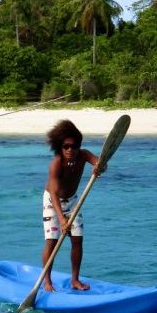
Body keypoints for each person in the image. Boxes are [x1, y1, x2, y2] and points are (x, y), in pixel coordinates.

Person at [41, 120, 103, 292]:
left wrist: (99, 167)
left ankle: (75, 280)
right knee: (52, 241)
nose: (70, 150)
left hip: (73, 201)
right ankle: (47, 282)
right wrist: (61, 220)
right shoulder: (56, 164)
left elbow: (99, 161)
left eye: (74, 146)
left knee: (77, 240)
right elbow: (53, 193)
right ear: (59, 147)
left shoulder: (83, 155)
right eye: (66, 146)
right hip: (52, 202)